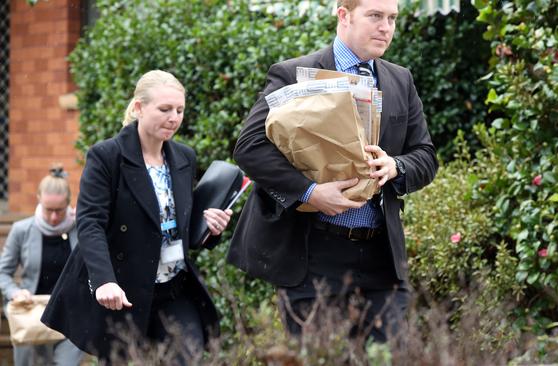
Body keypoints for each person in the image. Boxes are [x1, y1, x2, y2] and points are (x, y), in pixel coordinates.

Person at [228, 0, 438, 342]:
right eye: (375, 16)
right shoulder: (292, 73)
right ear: (344, 15)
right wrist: (310, 193)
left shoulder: (401, 80)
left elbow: (426, 156)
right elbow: (249, 146)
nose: (386, 27)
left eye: (392, 18)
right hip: (312, 256)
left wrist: (396, 166)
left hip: (380, 259)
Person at [41, 70, 233, 363]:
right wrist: (104, 280)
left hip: (173, 287)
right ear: (139, 107)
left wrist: (210, 227)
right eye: (165, 109)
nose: (174, 117)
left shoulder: (184, 157)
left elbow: (180, 223)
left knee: (188, 356)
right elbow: (91, 222)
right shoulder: (107, 156)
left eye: (180, 110)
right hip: (123, 289)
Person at [0, 166, 85, 366]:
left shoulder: (81, 230)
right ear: (38, 199)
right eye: (49, 210)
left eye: (60, 210)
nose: (54, 217)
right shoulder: (21, 230)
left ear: (69, 204)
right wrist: (14, 292)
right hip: (31, 314)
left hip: (71, 314)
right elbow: (3, 272)